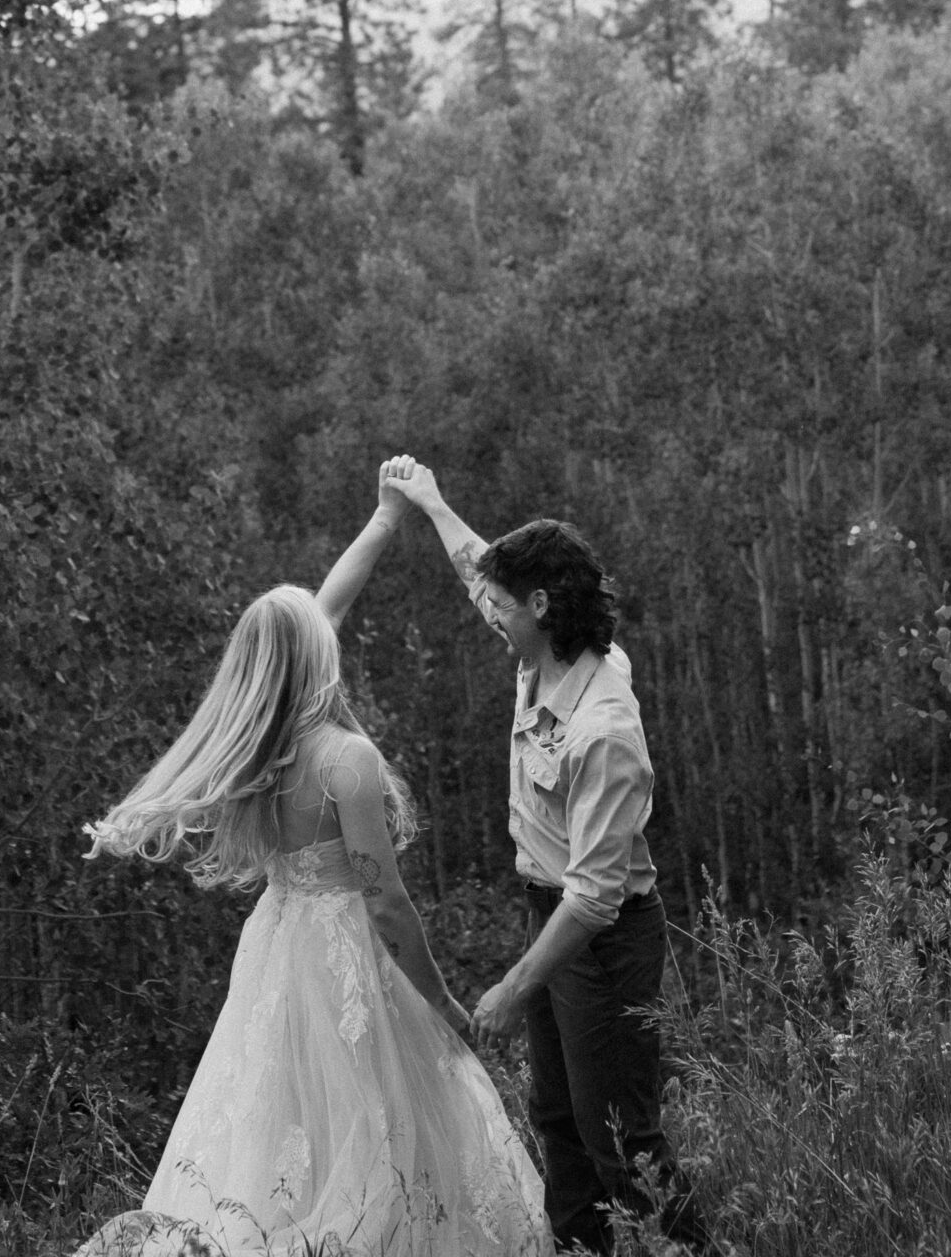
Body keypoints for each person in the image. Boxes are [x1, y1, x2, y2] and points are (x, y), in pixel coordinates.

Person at [72, 471, 550, 1257]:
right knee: (372, 1130)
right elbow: (387, 905)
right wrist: (449, 1011)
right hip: (344, 958)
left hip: (278, 944)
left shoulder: (268, 743)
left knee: (279, 1123)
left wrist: (385, 521)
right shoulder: (345, 759)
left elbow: (316, 613)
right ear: (313, 656)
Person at [382, 456, 699, 1256]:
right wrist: (431, 502)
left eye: (503, 603)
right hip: (552, 915)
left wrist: (514, 988)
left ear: (544, 605)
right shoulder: (541, 656)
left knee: (622, 1141)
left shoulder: (605, 728)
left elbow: (594, 897)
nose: (487, 611)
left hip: (603, 939)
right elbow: (482, 574)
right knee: (559, 1119)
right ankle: (579, 1248)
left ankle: (691, 1248)